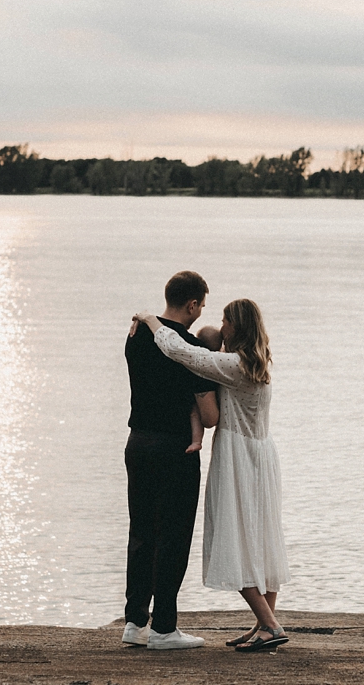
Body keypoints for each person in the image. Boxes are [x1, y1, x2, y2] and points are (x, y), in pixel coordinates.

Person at [133, 299, 290, 652]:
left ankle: (269, 624)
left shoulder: (232, 364)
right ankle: (266, 623)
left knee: (232, 537)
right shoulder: (257, 362)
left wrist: (148, 319)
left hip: (238, 456)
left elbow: (180, 350)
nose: (220, 324)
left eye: (224, 319)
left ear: (236, 326)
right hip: (262, 455)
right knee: (262, 539)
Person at [121, 271, 219, 650]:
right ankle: (163, 628)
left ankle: (135, 622)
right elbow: (209, 416)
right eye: (202, 305)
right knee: (173, 537)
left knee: (141, 534)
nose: (200, 312)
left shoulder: (136, 335)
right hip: (174, 448)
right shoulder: (189, 348)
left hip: (137, 443)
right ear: (192, 304)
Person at [184, 326, 224, 454]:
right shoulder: (220, 360)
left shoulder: (199, 361)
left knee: (195, 413)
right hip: (215, 394)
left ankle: (197, 442)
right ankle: (197, 442)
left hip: (201, 395)